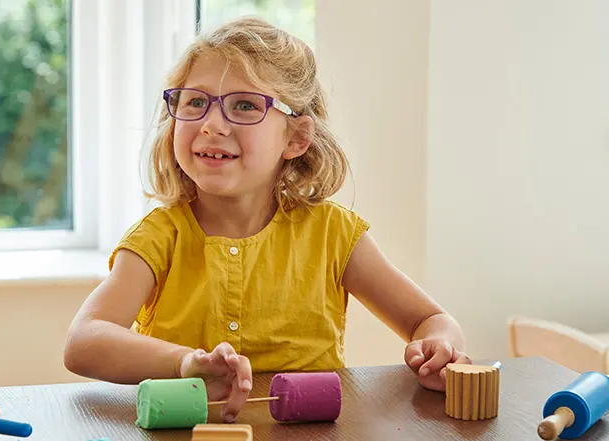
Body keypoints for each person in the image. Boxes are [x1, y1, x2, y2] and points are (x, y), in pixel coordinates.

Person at [64, 17, 470, 424]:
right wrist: (185, 362)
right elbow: (83, 341)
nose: (211, 124)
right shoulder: (157, 237)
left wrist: (439, 345)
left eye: (244, 105)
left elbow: (429, 320)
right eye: (194, 102)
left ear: (296, 138)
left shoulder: (335, 235)